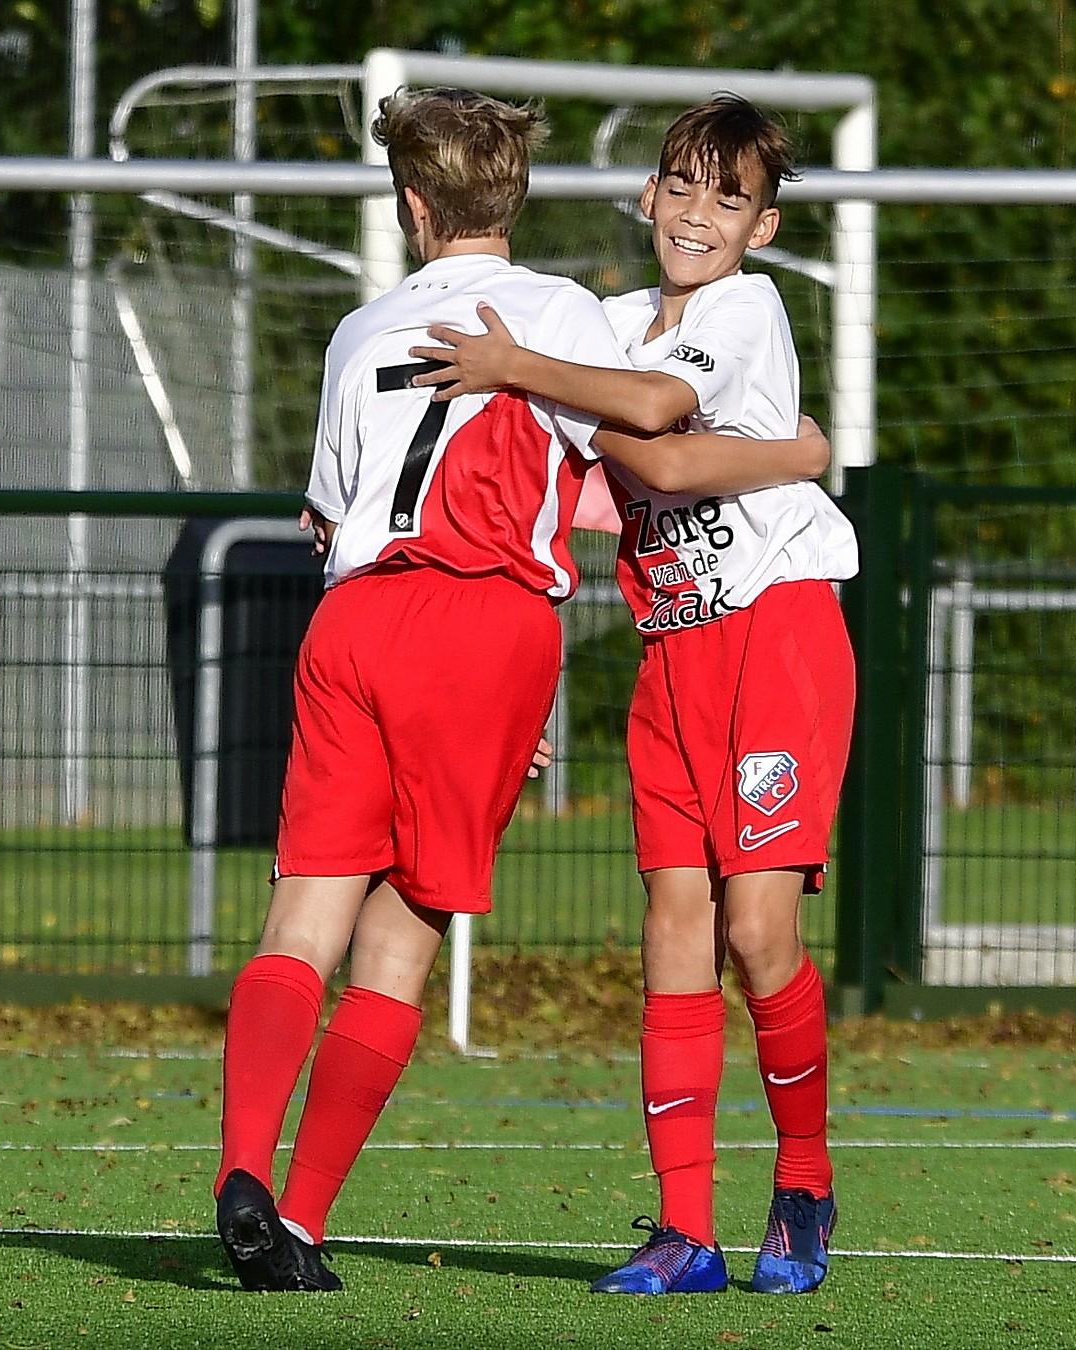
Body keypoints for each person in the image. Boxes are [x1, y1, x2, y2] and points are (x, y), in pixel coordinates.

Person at [412, 94, 856, 1296]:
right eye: (682, 186)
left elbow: (654, 431)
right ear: (648, 195)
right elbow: (539, 468)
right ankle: (685, 1230)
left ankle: (804, 1182)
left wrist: (523, 371)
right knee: (672, 931)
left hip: (780, 635)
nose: (697, 214)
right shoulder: (604, 323)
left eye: (729, 196)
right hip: (673, 657)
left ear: (762, 226)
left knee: (759, 932)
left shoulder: (742, 309)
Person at [205, 86, 634, 1293]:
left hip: (354, 620)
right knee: (398, 944)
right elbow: (636, 438)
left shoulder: (355, 332)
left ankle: (243, 1164)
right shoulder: (564, 315)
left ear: (411, 204)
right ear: (517, 195)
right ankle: (299, 1217)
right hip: (486, 619)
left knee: (301, 918)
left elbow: (328, 512)